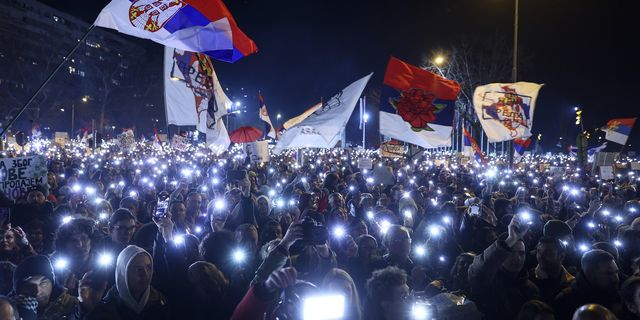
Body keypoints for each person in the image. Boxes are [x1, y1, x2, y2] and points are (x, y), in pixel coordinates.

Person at [468, 216, 540, 320]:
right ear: (502, 253)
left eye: (521, 253)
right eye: (511, 252)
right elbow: (478, 272)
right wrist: (510, 239)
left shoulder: (531, 289)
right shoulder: (489, 282)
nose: (517, 258)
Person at [86, 245, 170, 320]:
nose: (145, 274)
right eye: (138, 269)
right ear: (123, 273)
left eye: (148, 267)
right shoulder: (107, 307)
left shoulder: (159, 300)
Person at [554, 249, 624, 319]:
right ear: (590, 274)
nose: (616, 279)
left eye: (616, 272)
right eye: (608, 274)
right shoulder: (566, 301)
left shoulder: (620, 294)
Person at [531, 236, 575, 304]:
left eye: (548, 252)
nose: (541, 256)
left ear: (561, 256)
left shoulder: (572, 283)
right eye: (538, 251)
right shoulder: (530, 279)